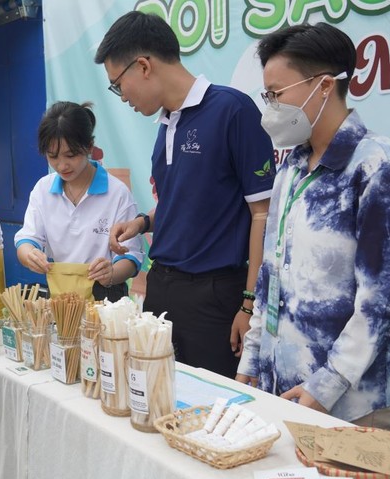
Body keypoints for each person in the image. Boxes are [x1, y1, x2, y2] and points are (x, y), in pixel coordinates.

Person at [235, 23, 390, 430]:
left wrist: (326, 385)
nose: (271, 107)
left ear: (322, 86)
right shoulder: (291, 169)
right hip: (281, 390)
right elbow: (270, 277)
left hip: (351, 404)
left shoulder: (376, 166)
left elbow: (383, 298)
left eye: (277, 94)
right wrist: (252, 361)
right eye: (267, 95)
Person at [96, 11, 274, 378]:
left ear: (143, 65)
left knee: (210, 414)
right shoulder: (166, 124)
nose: (121, 96)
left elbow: (263, 215)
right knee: (151, 397)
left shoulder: (232, 110)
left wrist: (249, 305)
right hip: (162, 287)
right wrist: (143, 221)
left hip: (214, 296)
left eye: (117, 84)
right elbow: (183, 200)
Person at [15, 101, 143, 301]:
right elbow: (27, 240)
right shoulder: (43, 189)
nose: (62, 165)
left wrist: (111, 273)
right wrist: (30, 255)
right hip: (60, 296)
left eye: (71, 155)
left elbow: (131, 257)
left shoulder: (117, 193)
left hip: (106, 297)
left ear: (89, 147)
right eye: (53, 156)